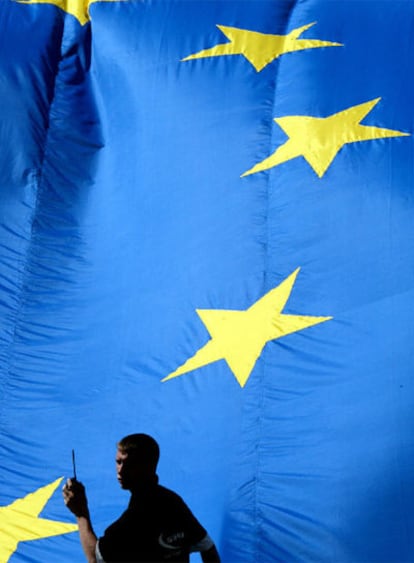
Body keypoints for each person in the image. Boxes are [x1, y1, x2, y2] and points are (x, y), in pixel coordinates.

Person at [63, 433, 221, 563]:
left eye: (129, 464)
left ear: (147, 466)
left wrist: (81, 513)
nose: (121, 470)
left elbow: (95, 559)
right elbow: (208, 547)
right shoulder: (174, 502)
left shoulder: (133, 520)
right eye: (118, 462)